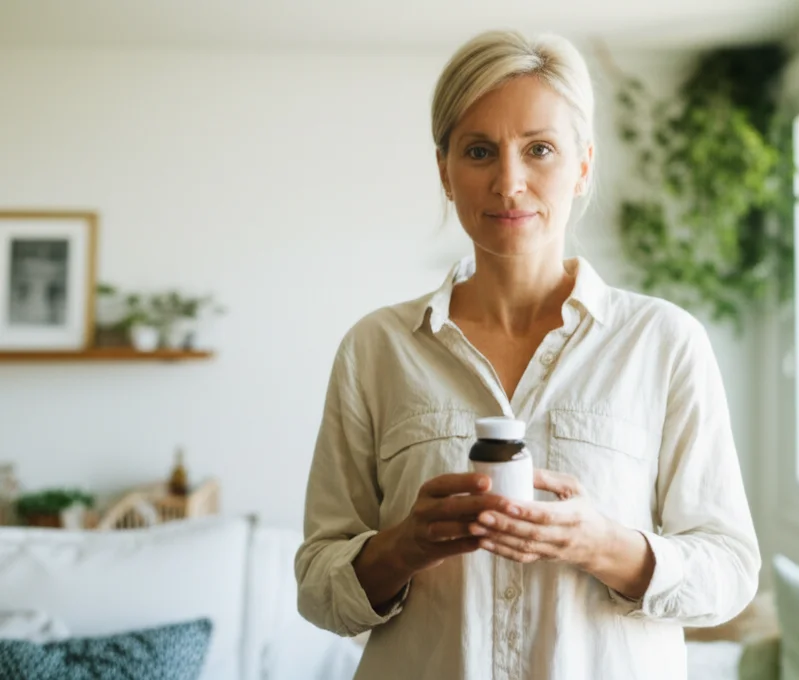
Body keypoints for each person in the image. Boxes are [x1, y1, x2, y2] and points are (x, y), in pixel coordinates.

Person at [295, 29, 760, 680]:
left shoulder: (663, 342)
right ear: (445, 170)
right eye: (479, 150)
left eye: (539, 149)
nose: (509, 182)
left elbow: (730, 574)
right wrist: (403, 546)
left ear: (584, 165)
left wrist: (604, 545)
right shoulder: (376, 349)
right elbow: (318, 590)